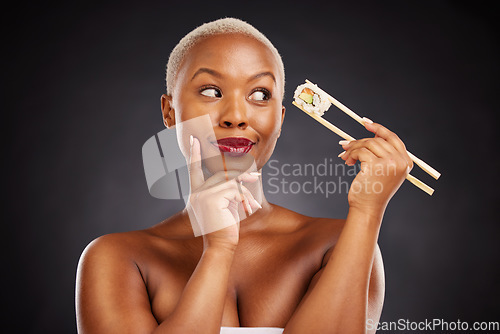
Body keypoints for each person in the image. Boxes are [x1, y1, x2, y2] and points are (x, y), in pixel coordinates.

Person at [76, 17, 413, 334]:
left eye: (259, 94)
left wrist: (368, 212)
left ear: (280, 119)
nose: (236, 116)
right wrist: (218, 250)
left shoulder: (339, 244)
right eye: (210, 91)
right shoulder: (116, 258)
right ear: (169, 111)